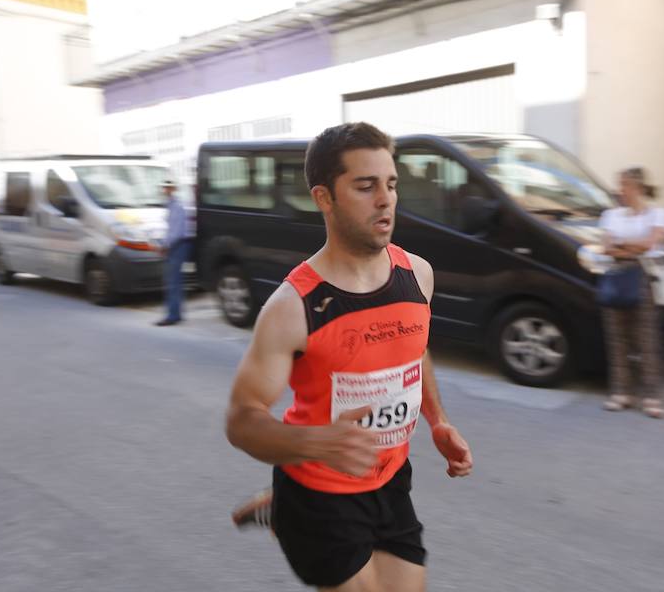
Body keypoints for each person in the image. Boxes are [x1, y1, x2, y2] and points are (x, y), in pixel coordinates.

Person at [225, 122, 473, 591]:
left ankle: (281, 509)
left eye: (391, 184)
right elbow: (241, 420)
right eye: (365, 186)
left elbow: (414, 351)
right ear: (324, 198)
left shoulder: (417, 274)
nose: (386, 199)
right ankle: (288, 506)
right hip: (319, 489)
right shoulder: (291, 308)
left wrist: (437, 420)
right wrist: (314, 443)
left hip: (390, 480)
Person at [598, 167, 664, 418]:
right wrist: (632, 248)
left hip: (642, 277)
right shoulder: (611, 215)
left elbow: (652, 243)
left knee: (646, 338)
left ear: (638, 188)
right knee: (617, 338)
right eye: (620, 185)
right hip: (616, 275)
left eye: (625, 185)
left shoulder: (658, 214)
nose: (621, 191)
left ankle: (652, 397)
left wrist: (623, 245)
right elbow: (607, 248)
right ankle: (621, 393)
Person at [155, 180, 191, 326]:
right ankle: (176, 313)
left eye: (168, 188)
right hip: (177, 245)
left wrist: (164, 246)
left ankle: (172, 315)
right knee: (175, 281)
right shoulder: (172, 205)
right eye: (164, 187)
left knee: (172, 282)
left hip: (178, 245)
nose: (166, 190)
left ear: (173, 189)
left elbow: (175, 232)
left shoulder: (176, 206)